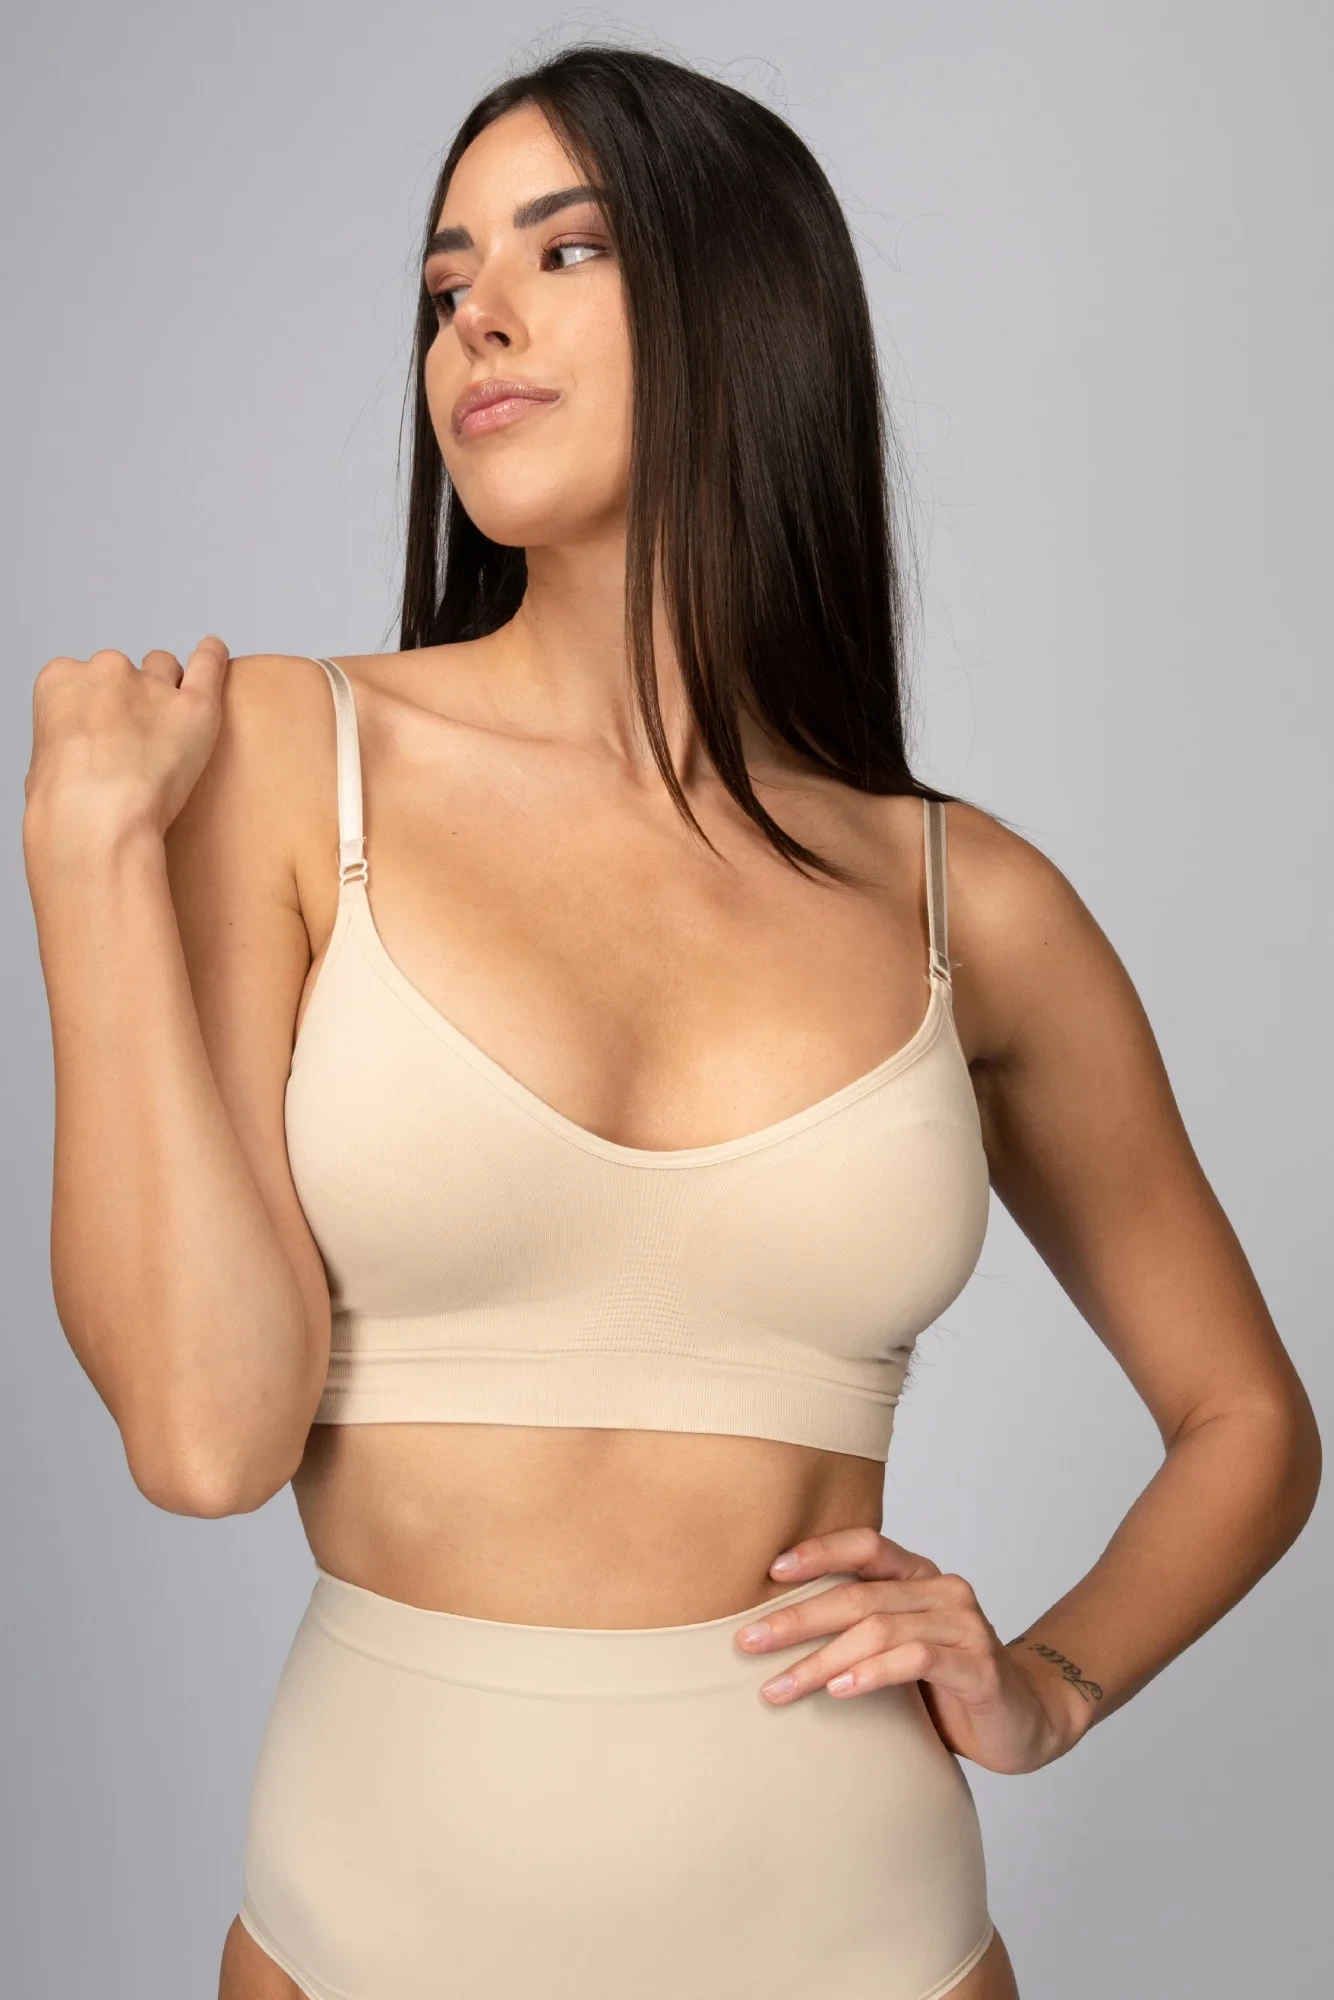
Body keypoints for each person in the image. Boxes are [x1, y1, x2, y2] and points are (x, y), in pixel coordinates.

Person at [20, 44, 1320, 2000]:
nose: (476, 319)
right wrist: (88, 860)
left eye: (564, 251)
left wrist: (1047, 1682)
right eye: (445, 280)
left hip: (862, 1929)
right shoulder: (292, 759)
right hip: (368, 1921)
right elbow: (207, 1440)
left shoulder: (964, 900)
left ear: (742, 305)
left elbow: (1246, 1423)